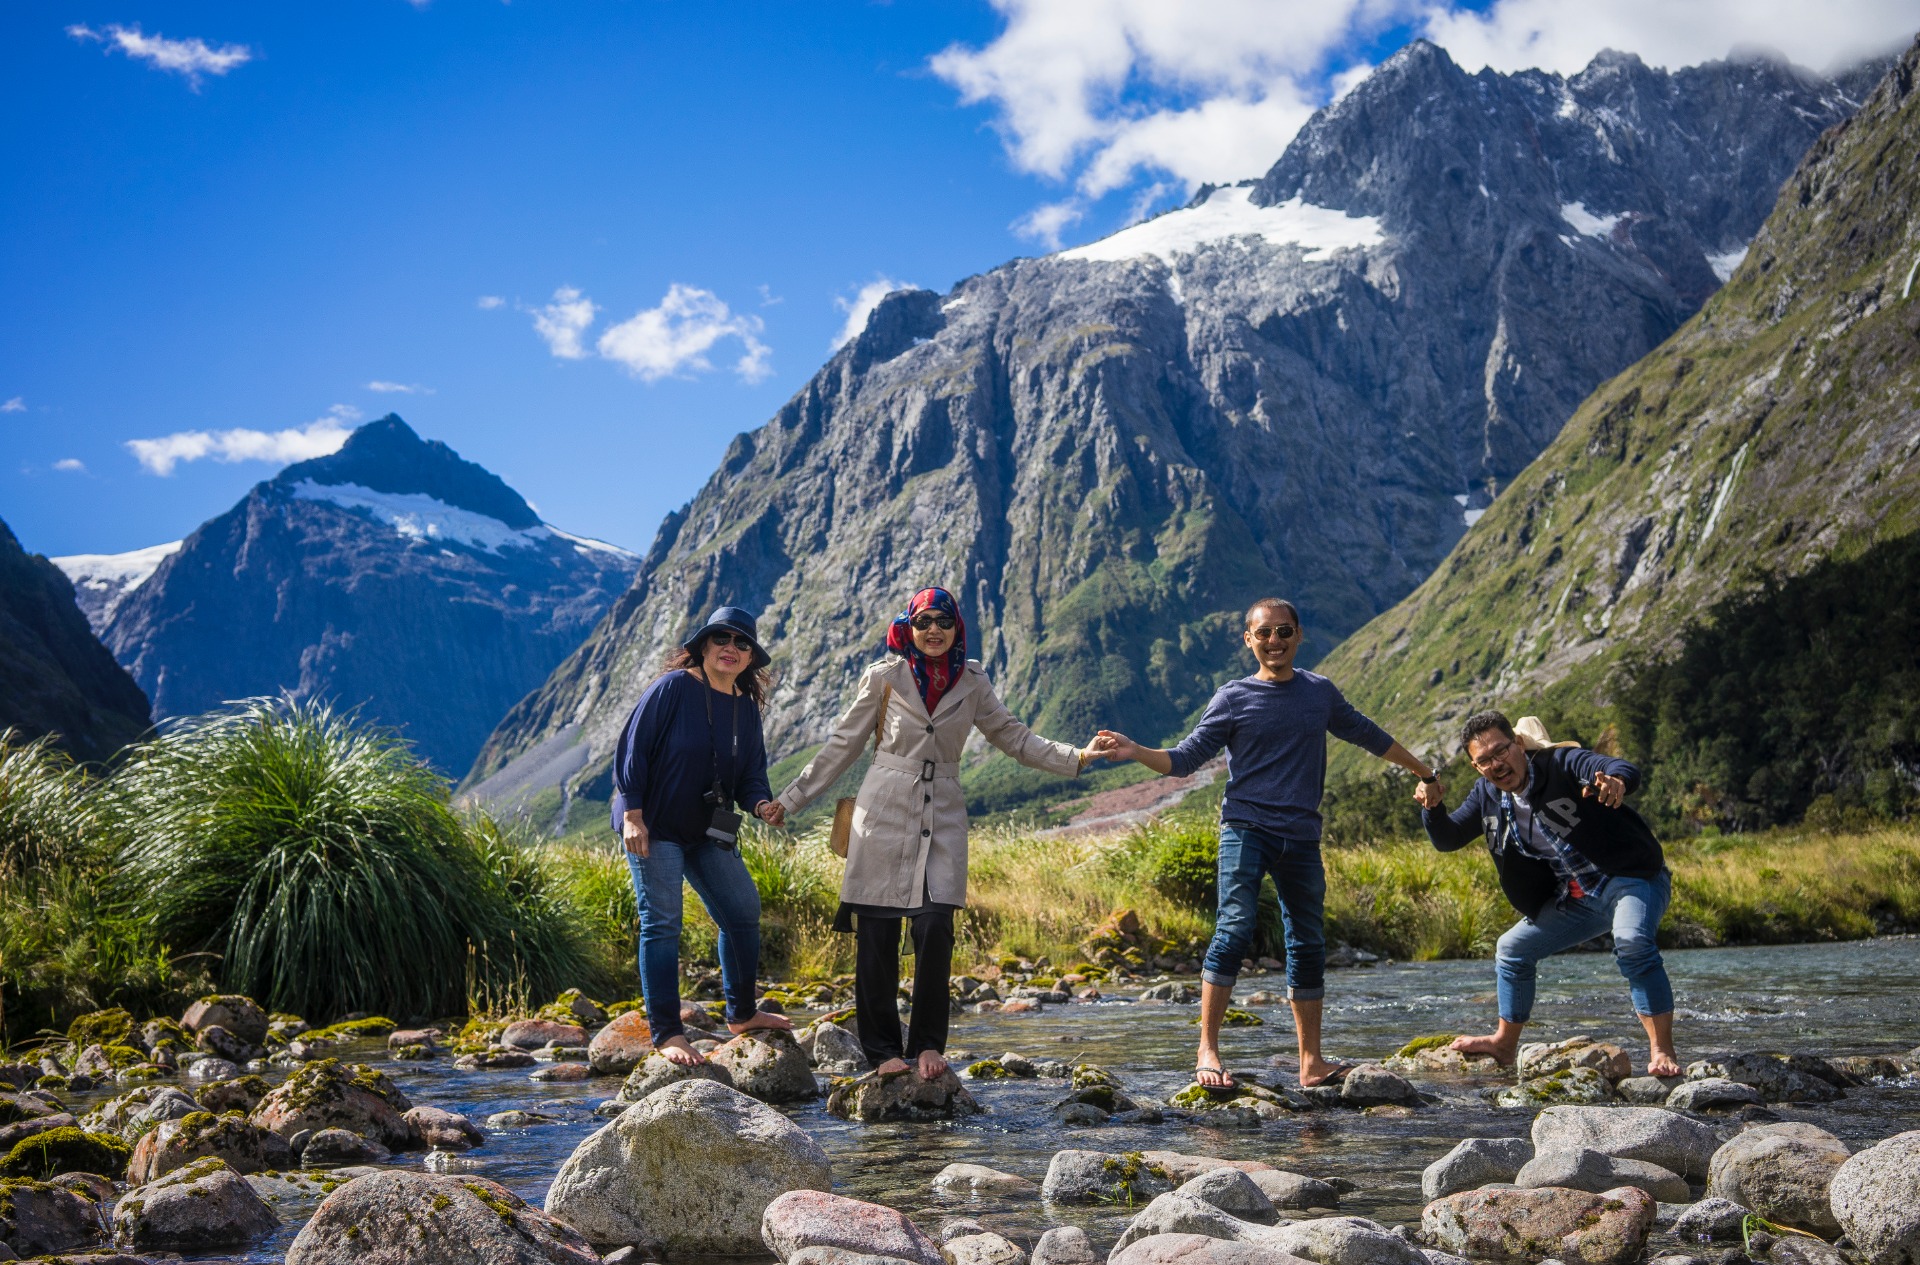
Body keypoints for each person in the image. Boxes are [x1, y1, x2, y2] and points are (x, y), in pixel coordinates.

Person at [1095, 597, 1443, 1089]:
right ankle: (1207, 1049)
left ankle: (1311, 1063)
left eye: (1283, 632)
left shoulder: (1319, 693)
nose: (1274, 642)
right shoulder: (1232, 697)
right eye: (1264, 634)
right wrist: (1136, 752)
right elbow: (1185, 758)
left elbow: (1369, 735)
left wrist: (1424, 771)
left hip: (1302, 836)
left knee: (1307, 940)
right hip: (1246, 829)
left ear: (1299, 635)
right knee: (1235, 928)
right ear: (1249, 641)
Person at [774, 586, 1099, 1080]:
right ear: (909, 625)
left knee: (934, 926)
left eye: (943, 623)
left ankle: (927, 1044)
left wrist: (1075, 757)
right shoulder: (884, 677)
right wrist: (791, 799)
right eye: (924, 622)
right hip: (882, 807)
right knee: (877, 934)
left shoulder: (973, 680)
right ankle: (883, 1051)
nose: (933, 632)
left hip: (943, 809)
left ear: (956, 629)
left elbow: (1013, 736)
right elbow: (843, 744)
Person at [1417, 711, 1681, 1077]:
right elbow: (1448, 838)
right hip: (1579, 898)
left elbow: (1617, 767)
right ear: (1476, 767)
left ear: (1519, 744)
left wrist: (1616, 781)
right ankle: (1504, 1043)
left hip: (1631, 879)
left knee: (1632, 942)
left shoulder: (1561, 763)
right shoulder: (1488, 794)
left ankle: (1661, 1050)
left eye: (1502, 751)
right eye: (1485, 760)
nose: (1497, 764)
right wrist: (1431, 806)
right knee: (1512, 950)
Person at [612, 605, 791, 1066]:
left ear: (751, 657)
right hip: (654, 824)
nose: (731, 648)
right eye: (721, 639)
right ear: (703, 646)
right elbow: (633, 751)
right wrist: (633, 815)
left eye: (742, 643)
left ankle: (742, 1014)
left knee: (743, 909)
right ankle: (668, 1033)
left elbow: (751, 775)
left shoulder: (746, 710)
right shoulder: (673, 688)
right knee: (663, 920)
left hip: (709, 827)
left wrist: (760, 805)